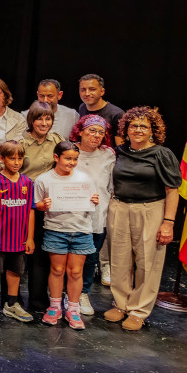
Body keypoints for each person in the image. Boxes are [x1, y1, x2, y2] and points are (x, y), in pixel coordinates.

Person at [104, 107, 181, 331]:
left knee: (148, 262)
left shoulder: (161, 154)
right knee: (119, 259)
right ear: (126, 130)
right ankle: (121, 304)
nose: (138, 130)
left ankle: (138, 311)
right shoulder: (119, 152)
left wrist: (168, 222)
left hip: (150, 210)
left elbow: (172, 190)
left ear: (152, 131)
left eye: (143, 126)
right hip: (119, 207)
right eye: (134, 126)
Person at [34, 141, 100, 330]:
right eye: (68, 158)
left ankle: (73, 309)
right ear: (56, 157)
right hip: (56, 231)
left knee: (76, 272)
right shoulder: (44, 179)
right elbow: (37, 205)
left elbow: (91, 202)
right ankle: (54, 307)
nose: (72, 162)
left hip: (81, 230)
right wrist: (43, 205)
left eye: (75, 159)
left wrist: (94, 200)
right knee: (57, 270)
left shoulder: (84, 179)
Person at [19, 101, 65, 312]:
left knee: (40, 255)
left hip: (47, 204)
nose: (44, 123)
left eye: (48, 119)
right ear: (31, 120)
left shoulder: (57, 140)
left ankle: (38, 301)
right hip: (24, 204)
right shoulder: (21, 142)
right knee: (19, 253)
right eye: (39, 119)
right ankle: (12, 300)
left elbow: (67, 163)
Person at [0, 141, 35, 324]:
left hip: (19, 239)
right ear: (2, 159)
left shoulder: (27, 182)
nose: (16, 162)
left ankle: (11, 304)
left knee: (15, 270)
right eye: (12, 158)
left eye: (20, 158)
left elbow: (31, 211)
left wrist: (30, 237)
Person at [68, 115, 115, 315]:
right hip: (69, 216)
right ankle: (66, 295)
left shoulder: (108, 155)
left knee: (90, 258)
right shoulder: (70, 151)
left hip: (97, 217)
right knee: (67, 259)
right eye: (92, 130)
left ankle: (83, 293)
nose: (96, 135)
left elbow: (111, 186)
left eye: (100, 132)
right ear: (80, 131)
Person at [78, 74, 125, 147]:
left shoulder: (117, 114)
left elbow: (121, 147)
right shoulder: (82, 107)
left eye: (92, 89)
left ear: (102, 92)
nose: (87, 93)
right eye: (83, 90)